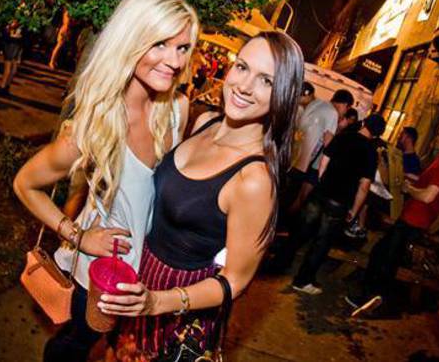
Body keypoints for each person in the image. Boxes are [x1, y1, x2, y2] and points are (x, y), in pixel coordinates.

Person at [13, 0, 199, 362]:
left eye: (182, 48)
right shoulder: (96, 124)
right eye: (160, 44)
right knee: (75, 346)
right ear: (131, 41)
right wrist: (78, 236)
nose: (175, 60)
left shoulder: (177, 109)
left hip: (149, 272)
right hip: (104, 273)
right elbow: (25, 184)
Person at [97, 31, 304, 361]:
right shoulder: (206, 122)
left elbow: (235, 281)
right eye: (242, 67)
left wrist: (158, 302)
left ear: (284, 95)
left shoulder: (254, 179)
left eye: (266, 81)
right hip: (140, 275)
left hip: (178, 303)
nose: (244, 86)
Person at [345, 124, 439, 314]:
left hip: (415, 221)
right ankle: (368, 297)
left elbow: (428, 196)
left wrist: (409, 189)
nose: (436, 138)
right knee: (381, 254)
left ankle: (371, 301)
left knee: (386, 261)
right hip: (410, 217)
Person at [290, 114, 386, 295]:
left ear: (364, 123)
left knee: (300, 230)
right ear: (376, 134)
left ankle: (277, 263)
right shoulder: (371, 153)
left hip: (320, 192)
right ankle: (302, 281)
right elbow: (364, 186)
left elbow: (324, 160)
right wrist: (355, 211)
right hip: (339, 202)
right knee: (322, 242)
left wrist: (322, 181)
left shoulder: (343, 136)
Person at [0, 19, 25, 94]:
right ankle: (5, 86)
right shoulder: (13, 21)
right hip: (14, 44)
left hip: (14, 44)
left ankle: (4, 86)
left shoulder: (20, 20)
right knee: (11, 67)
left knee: (11, 67)